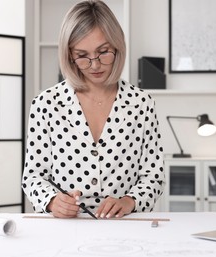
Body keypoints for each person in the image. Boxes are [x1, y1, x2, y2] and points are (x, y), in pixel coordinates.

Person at [22, 0, 165, 219]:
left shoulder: (141, 103)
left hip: (125, 225)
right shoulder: (46, 104)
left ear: (117, 46)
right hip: (66, 228)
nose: (95, 65)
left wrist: (129, 202)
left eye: (103, 52)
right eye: (82, 56)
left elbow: (153, 176)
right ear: (69, 55)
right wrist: (52, 202)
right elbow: (33, 177)